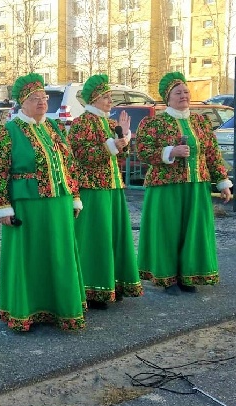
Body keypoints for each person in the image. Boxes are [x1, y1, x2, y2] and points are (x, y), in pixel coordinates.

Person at [0, 72, 86, 331]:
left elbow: (68, 164)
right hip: (27, 204)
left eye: (44, 97)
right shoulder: (7, 130)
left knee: (59, 255)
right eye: (35, 98)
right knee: (29, 257)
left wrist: (74, 195)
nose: (42, 102)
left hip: (59, 201)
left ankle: (60, 308)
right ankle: (26, 311)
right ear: (23, 102)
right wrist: (2, 205)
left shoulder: (52, 127)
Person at [135, 72, 233, 295]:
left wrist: (222, 181)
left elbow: (212, 153)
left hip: (196, 185)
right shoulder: (155, 123)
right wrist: (170, 151)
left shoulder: (200, 122)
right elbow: (142, 151)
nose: (183, 95)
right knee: (168, 231)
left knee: (193, 231)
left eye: (186, 92)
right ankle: (167, 279)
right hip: (166, 186)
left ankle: (188, 275)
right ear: (167, 98)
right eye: (178, 92)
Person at [68, 74, 143, 308]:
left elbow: (123, 155)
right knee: (96, 239)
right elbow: (80, 156)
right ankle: (93, 288)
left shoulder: (110, 123)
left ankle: (113, 283)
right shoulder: (81, 123)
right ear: (94, 98)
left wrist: (124, 137)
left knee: (114, 237)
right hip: (93, 188)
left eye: (110, 96)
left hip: (113, 187)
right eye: (105, 96)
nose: (110, 100)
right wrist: (111, 146)